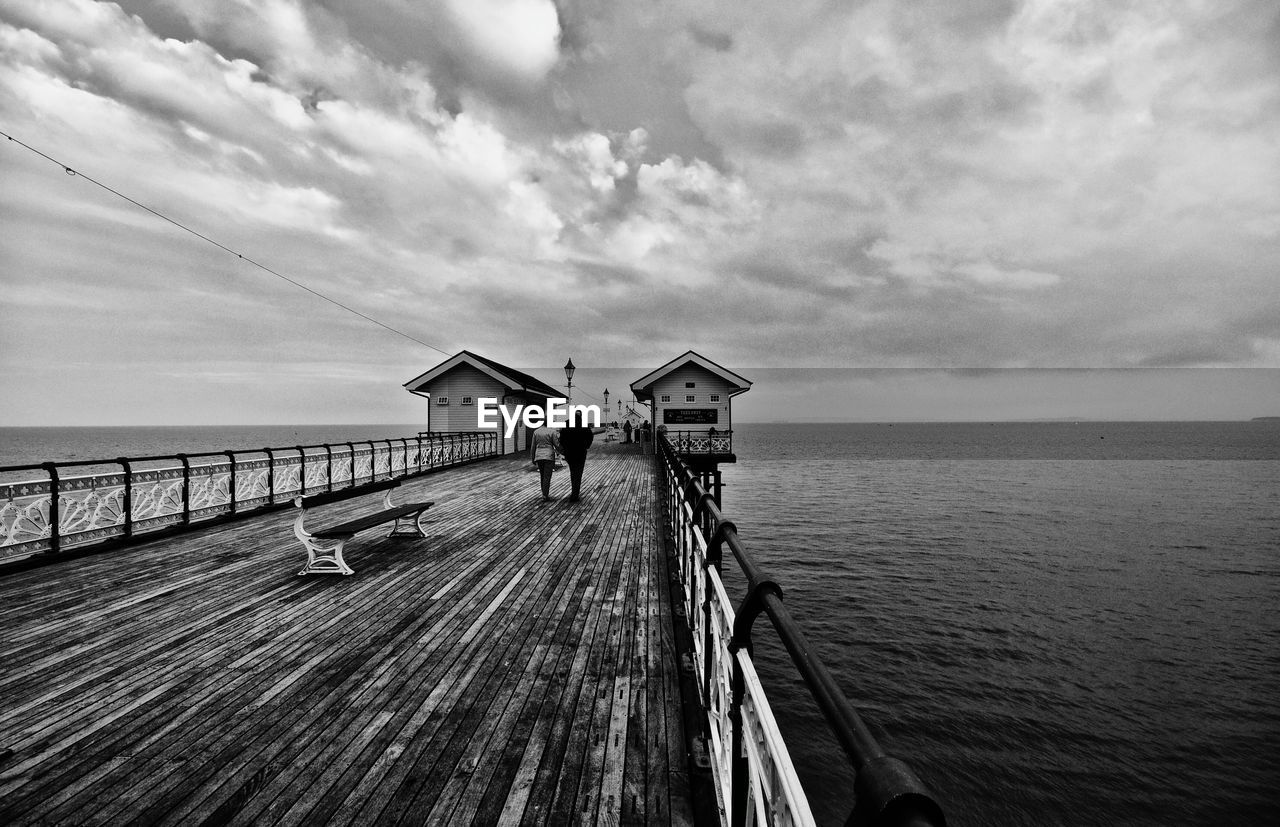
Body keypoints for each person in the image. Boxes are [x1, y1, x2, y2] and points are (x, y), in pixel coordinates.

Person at [558, 410, 595, 502]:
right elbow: (590, 436)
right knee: (578, 473)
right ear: (581, 416)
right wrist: (586, 446)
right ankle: (575, 494)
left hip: (569, 453)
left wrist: (565, 449)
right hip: (580, 453)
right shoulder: (584, 424)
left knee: (572, 472)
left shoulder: (567, 423)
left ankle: (574, 492)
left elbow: (561, 438)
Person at [529, 423, 561, 501]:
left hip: (539, 456)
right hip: (548, 456)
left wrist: (532, 458)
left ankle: (544, 493)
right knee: (547, 476)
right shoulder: (552, 432)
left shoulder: (536, 432)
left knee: (542, 475)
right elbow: (556, 444)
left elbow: (533, 446)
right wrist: (561, 452)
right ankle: (545, 495)